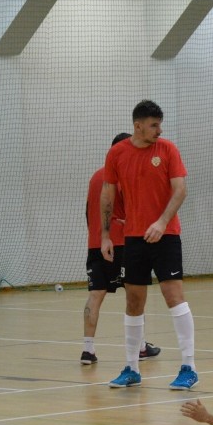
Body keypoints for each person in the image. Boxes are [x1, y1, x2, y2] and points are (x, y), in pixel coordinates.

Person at [101, 100, 198, 390]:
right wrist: (105, 235)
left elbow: (180, 190)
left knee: (173, 295)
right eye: (154, 125)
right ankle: (131, 367)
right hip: (133, 237)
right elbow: (108, 195)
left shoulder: (167, 149)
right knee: (133, 300)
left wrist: (161, 222)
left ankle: (189, 367)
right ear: (138, 125)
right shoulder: (117, 153)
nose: (159, 130)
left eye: (160, 124)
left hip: (166, 235)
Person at [80, 132, 161, 365]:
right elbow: (134, 209)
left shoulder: (95, 177)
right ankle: (141, 346)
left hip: (97, 244)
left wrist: (96, 236)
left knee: (95, 296)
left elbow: (88, 211)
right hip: (125, 243)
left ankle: (88, 349)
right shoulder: (125, 175)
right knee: (135, 295)